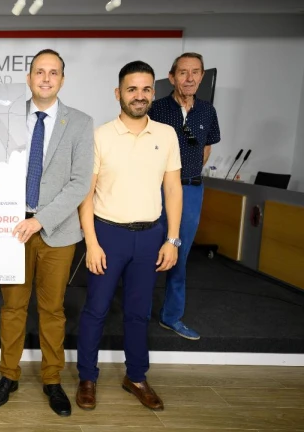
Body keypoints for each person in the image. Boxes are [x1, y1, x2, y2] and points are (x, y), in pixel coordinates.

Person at [0, 49, 94, 417]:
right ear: (28, 77)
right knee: (12, 308)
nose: (46, 78)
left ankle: (52, 379)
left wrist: (41, 219)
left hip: (57, 231)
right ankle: (8, 375)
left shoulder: (80, 122)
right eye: (40, 72)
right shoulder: (8, 117)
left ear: (62, 79)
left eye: (53, 72)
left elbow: (79, 183)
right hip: (12, 229)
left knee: (52, 309)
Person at [76, 60, 182, 412]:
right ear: (118, 93)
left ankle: (136, 377)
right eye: (132, 89)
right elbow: (86, 194)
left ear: (154, 92)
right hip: (108, 235)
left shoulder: (166, 135)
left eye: (146, 89)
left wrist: (172, 239)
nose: (139, 96)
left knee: (138, 312)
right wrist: (91, 243)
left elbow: (173, 189)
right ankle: (87, 378)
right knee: (96, 310)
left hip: (150, 236)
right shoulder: (100, 136)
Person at [149, 52, 221, 340]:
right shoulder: (155, 109)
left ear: (201, 76)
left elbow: (206, 148)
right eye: (183, 72)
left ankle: (171, 317)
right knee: (146, 253)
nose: (189, 78)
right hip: (155, 190)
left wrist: (187, 174)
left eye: (195, 72)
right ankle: (137, 313)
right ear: (172, 77)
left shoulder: (207, 111)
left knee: (179, 253)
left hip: (190, 190)